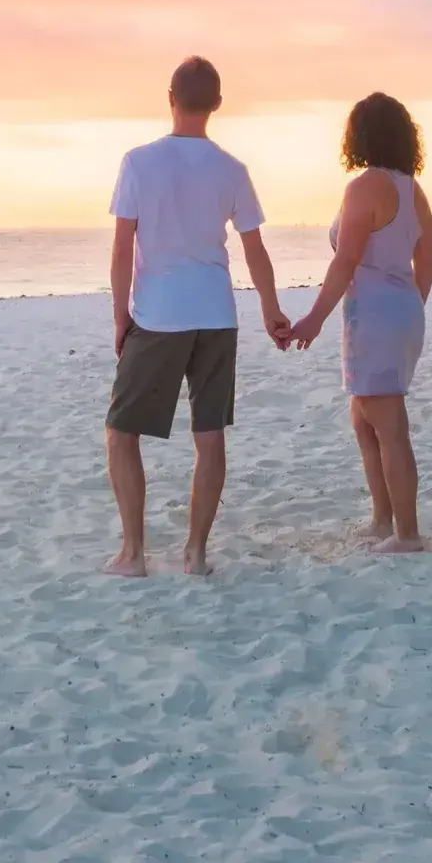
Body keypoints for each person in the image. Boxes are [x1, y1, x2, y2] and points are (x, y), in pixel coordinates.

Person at [102, 56, 286, 578]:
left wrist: (120, 315)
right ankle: (196, 553)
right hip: (215, 313)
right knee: (209, 437)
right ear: (218, 105)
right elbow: (254, 250)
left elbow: (121, 250)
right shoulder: (232, 169)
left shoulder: (139, 162)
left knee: (121, 433)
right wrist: (271, 310)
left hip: (158, 315)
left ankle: (133, 554)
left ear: (170, 97)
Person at [286, 92, 432, 554]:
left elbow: (346, 261)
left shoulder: (364, 187)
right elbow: (424, 264)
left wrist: (312, 319)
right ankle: (382, 517)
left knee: (388, 425)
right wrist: (408, 307)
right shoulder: (414, 191)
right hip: (400, 311)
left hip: (373, 315)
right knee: (363, 418)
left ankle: (406, 534)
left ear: (359, 136)